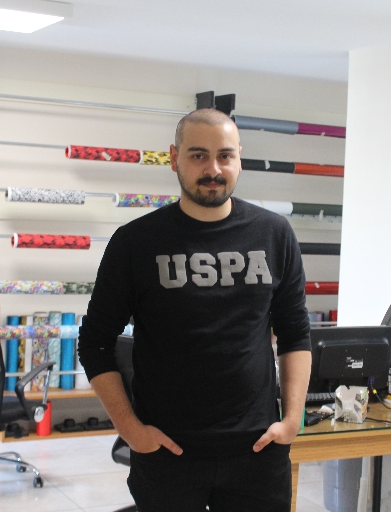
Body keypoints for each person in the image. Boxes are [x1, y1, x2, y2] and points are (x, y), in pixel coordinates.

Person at [78, 108, 311, 512]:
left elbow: (295, 334)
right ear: (174, 158)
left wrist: (292, 420)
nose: (213, 169)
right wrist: (131, 431)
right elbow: (95, 343)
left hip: (257, 451)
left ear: (239, 159)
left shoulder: (274, 234)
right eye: (198, 155)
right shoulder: (135, 242)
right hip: (167, 454)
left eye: (225, 156)